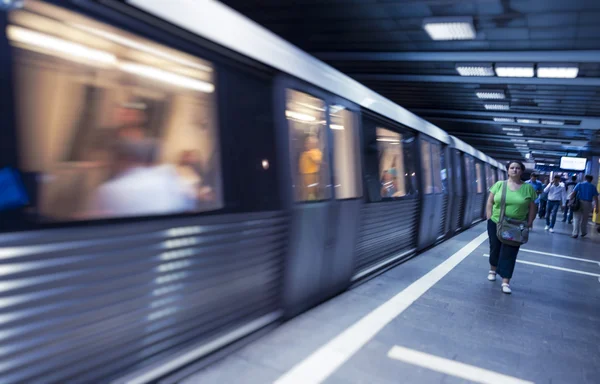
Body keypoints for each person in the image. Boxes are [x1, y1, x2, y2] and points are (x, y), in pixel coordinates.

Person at [486, 161, 537, 294]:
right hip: (496, 222)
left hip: (516, 225)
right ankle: (493, 269)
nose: (514, 170)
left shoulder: (528, 188)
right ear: (508, 170)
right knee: (495, 247)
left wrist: (530, 221)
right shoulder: (499, 185)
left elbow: (532, 207)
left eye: (517, 168)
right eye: (512, 168)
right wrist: (489, 217)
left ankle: (505, 281)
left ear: (521, 171)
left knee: (510, 251)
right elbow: (490, 202)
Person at [299, 135, 323, 201]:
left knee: (312, 193)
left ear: (314, 144)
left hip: (312, 176)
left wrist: (311, 155)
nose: (306, 144)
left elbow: (318, 161)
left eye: (308, 143)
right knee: (304, 193)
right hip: (304, 176)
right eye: (306, 143)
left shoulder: (316, 152)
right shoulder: (304, 153)